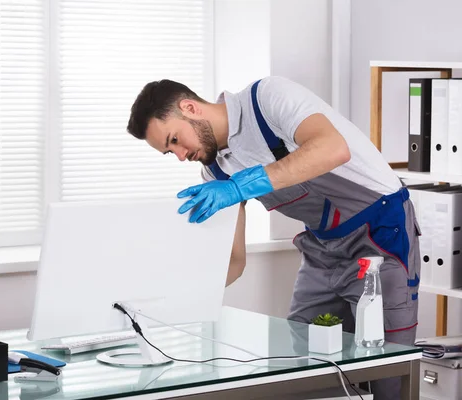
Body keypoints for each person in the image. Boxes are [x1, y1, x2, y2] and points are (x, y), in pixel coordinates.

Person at [126, 76, 420, 400]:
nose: (181, 155)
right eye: (171, 152)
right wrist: (174, 299)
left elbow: (333, 148)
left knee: (390, 368)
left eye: (175, 140)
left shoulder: (266, 99)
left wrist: (240, 187)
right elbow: (235, 261)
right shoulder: (216, 172)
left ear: (190, 108)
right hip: (323, 249)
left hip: (379, 236)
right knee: (303, 368)